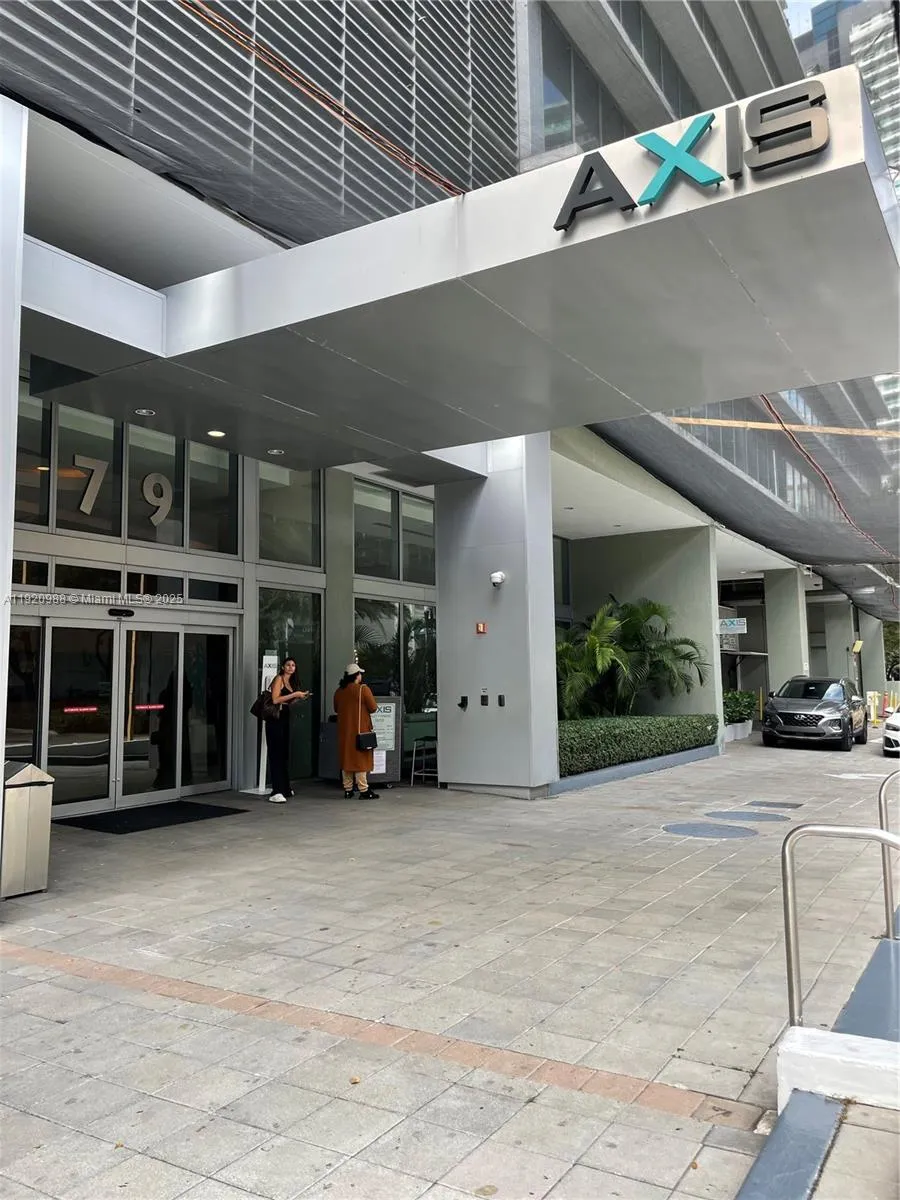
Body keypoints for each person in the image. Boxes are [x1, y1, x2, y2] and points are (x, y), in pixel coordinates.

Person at [265, 658, 310, 803]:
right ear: (283, 667)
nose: (291, 667)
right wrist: (295, 694)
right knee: (276, 753)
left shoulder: (292, 682)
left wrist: (299, 697)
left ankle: (284, 787)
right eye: (288, 665)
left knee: (284, 753)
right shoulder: (279, 679)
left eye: (293, 665)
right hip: (275, 717)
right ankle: (276, 790)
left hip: (285, 716)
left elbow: (288, 701)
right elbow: (275, 699)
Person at [333, 663, 379, 799]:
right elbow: (373, 707)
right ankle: (363, 790)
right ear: (356, 675)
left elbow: (336, 709)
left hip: (344, 731)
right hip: (360, 730)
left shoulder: (339, 691)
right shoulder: (363, 689)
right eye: (360, 674)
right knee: (361, 760)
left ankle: (348, 789)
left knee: (346, 759)